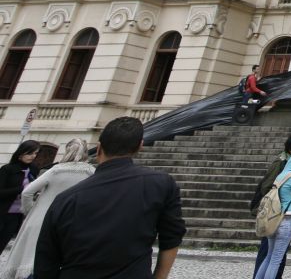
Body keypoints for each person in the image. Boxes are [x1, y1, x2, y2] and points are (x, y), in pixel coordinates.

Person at [33, 116, 185, 278]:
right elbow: (172, 237)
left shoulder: (65, 199)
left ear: (98, 148)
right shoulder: (161, 184)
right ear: (140, 146)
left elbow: (46, 260)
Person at [1, 139, 91, 279]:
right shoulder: (91, 172)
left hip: (41, 216)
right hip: (71, 220)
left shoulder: (56, 170)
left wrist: (29, 210)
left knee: (31, 257)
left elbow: (27, 192)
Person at [253, 132, 291, 279]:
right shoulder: (282, 164)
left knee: (271, 257)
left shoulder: (288, 168)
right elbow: (266, 187)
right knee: (273, 257)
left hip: (276, 215)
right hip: (278, 215)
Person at [0, 141, 40, 254]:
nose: (33, 156)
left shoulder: (33, 169)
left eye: (35, 153)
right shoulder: (7, 169)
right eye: (30, 153)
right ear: (21, 153)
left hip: (16, 215)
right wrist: (23, 189)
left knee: (2, 244)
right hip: (2, 212)